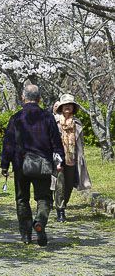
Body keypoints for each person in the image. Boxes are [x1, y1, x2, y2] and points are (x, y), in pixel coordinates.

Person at [0, 84, 65, 246]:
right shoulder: (47, 117)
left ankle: (26, 234)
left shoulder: (16, 118)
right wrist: (59, 160)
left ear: (23, 98)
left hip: (21, 163)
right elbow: (56, 141)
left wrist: (4, 164)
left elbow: (8, 143)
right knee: (44, 198)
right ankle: (40, 223)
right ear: (39, 99)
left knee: (22, 198)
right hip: (43, 163)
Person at [54, 93, 91, 222]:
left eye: (70, 105)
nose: (67, 107)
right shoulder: (55, 122)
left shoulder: (77, 123)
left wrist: (81, 158)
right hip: (58, 158)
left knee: (69, 185)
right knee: (60, 185)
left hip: (73, 158)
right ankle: (60, 211)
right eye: (65, 105)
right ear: (61, 107)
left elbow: (81, 143)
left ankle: (64, 204)